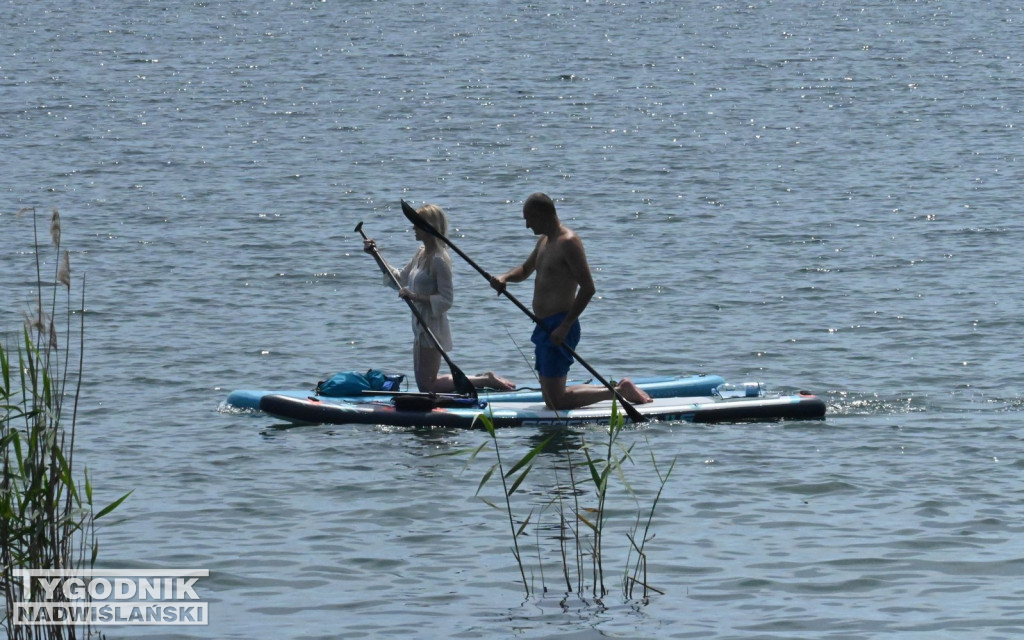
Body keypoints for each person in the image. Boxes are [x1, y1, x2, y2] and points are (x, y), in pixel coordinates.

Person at [490, 193, 652, 411]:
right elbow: (526, 270)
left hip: (560, 325)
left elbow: (588, 288)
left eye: (529, 219)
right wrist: (504, 278)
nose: (527, 225)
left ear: (543, 215)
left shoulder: (568, 242)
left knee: (557, 401)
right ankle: (618, 389)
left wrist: (565, 325)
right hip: (543, 326)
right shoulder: (545, 241)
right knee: (552, 399)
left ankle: (620, 392)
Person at [363, 203, 515, 393]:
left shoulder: (439, 259)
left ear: (429, 227)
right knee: (425, 385)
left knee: (428, 386)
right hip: (419, 326)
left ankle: (484, 380)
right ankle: (482, 379)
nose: (413, 228)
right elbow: (399, 279)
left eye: (417, 225)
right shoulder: (421, 253)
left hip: (432, 327)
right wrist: (376, 255)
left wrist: (415, 296)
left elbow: (446, 300)